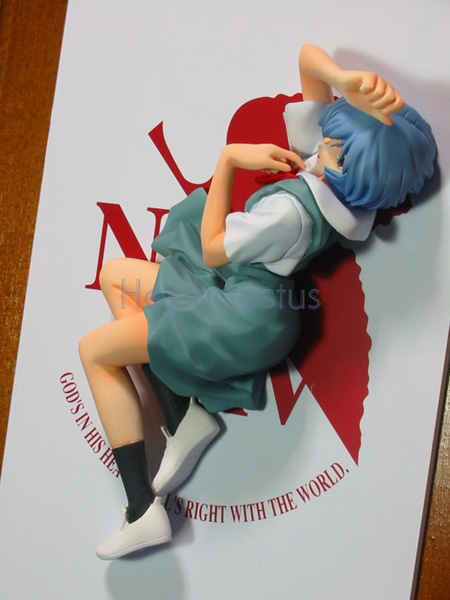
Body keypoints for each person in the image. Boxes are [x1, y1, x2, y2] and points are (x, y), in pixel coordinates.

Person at [78, 44, 436, 559]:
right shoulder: (335, 176)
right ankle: (180, 417)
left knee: (94, 351)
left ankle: (140, 509)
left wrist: (227, 162)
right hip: (242, 293)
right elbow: (308, 59)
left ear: (348, 162)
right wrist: (343, 80)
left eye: (336, 141)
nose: (324, 138)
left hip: (243, 318)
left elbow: (212, 248)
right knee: (117, 277)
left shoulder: (290, 214)